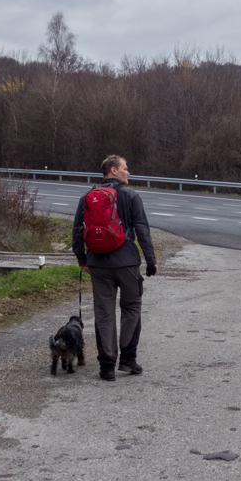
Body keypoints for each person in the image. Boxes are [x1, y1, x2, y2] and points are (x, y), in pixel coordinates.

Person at [73, 155, 158, 381]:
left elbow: (77, 232)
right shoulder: (130, 195)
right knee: (131, 307)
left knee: (104, 313)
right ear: (113, 170)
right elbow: (142, 231)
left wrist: (83, 260)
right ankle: (128, 361)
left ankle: (107, 366)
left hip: (98, 264)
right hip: (127, 262)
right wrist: (151, 261)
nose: (128, 173)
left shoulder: (87, 197)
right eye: (125, 169)